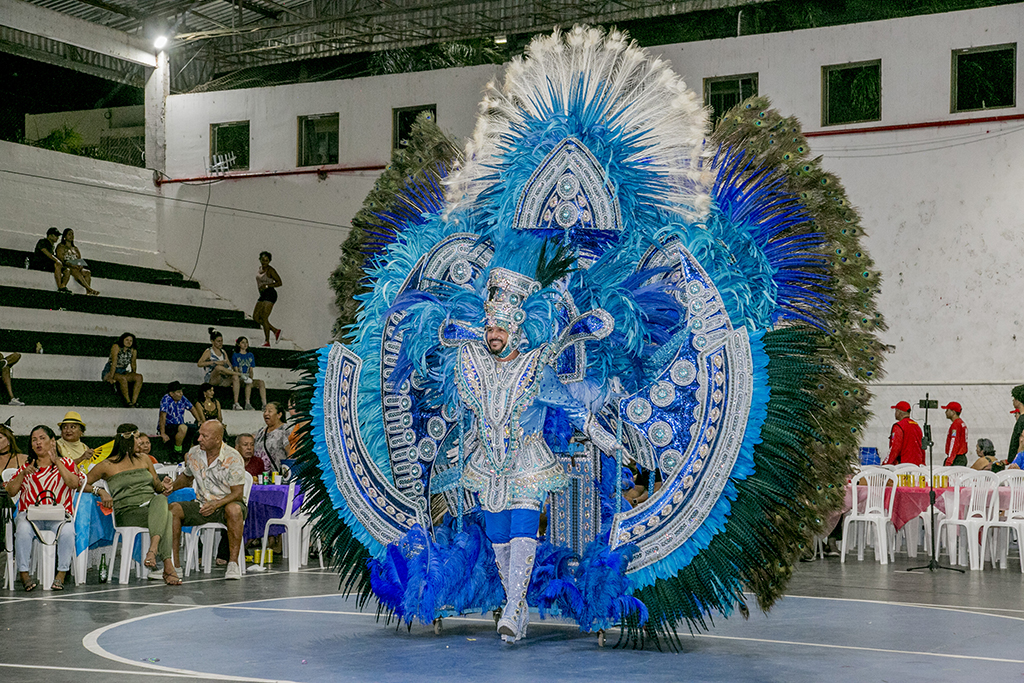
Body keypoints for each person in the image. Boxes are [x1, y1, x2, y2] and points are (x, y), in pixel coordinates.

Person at [452, 267, 621, 643]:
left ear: (515, 329)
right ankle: (517, 604)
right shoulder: (474, 367)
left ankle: (514, 605)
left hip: (528, 460)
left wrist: (600, 435)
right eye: (490, 329)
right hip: (489, 464)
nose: (494, 335)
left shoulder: (534, 370)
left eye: (501, 329)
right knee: (497, 534)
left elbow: (571, 406)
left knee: (522, 529)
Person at [86, 424, 181, 585]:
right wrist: (100, 491)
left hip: (151, 506)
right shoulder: (107, 465)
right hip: (127, 511)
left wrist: (164, 485)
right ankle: (166, 563)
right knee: (166, 513)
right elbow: (80, 483)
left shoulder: (144, 459)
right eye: (138, 438)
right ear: (127, 440)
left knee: (161, 500)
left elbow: (157, 487)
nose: (142, 441)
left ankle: (154, 552)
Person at [5, 425, 87, 591]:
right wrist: (22, 474)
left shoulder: (66, 463)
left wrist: (57, 462)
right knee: (22, 529)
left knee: (68, 531)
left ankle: (61, 574)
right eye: (34, 440)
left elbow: (73, 484)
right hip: (30, 516)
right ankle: (24, 573)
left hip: (58, 516)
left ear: (52, 442)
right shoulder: (26, 467)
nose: (38, 443)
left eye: (42, 438)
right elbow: (11, 491)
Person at [165, 420, 247, 579]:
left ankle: (233, 564)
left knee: (234, 509)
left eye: (204, 436)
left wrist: (217, 504)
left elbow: (237, 493)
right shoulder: (193, 453)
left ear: (217, 439)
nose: (199, 439)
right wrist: (171, 488)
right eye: (199, 434)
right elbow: (187, 478)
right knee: (173, 509)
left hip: (227, 503)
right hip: (202, 504)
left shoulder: (233, 457)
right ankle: (175, 566)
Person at [198, 328, 244, 410]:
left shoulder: (223, 352)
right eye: (218, 341)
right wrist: (214, 363)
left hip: (223, 378)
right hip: (212, 378)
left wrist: (235, 370)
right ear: (212, 341)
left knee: (235, 377)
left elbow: (229, 365)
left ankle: (236, 403)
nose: (220, 343)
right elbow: (199, 363)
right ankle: (239, 375)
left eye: (221, 341)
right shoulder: (208, 351)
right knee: (218, 368)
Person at [159, 381, 202, 455]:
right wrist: (162, 433)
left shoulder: (182, 398)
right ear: (171, 393)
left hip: (179, 424)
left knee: (198, 428)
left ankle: (192, 451)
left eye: (181, 391)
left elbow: (192, 408)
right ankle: (177, 451)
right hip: (169, 426)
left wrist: (199, 420)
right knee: (183, 428)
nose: (181, 393)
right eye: (178, 392)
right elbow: (162, 416)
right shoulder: (166, 399)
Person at [102, 332, 144, 408]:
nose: (129, 342)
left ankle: (134, 401)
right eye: (127, 340)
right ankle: (128, 402)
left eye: (131, 341)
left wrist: (133, 374)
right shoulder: (116, 347)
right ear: (122, 340)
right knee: (122, 378)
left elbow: (133, 363)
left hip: (122, 370)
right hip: (111, 370)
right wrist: (111, 377)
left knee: (139, 377)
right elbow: (114, 363)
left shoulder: (133, 350)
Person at [55, 228, 99, 296]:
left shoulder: (75, 248)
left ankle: (88, 292)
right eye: (69, 234)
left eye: (72, 234)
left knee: (87, 272)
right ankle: (90, 289)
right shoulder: (61, 246)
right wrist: (72, 265)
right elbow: (61, 259)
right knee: (75, 270)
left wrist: (80, 265)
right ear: (65, 236)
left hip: (76, 266)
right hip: (67, 266)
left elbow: (79, 259)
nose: (71, 236)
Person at [253, 252, 282, 347]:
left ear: (269, 261)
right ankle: (275, 330)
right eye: (263, 260)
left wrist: (268, 285)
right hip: (263, 294)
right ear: (260, 259)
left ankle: (267, 341)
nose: (264, 262)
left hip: (270, 293)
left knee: (264, 317)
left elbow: (279, 282)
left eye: (267, 260)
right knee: (256, 317)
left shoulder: (271, 270)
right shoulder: (260, 269)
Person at [883, 401, 925, 466]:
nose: (895, 413)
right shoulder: (916, 426)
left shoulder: (898, 426)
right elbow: (922, 447)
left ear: (899, 413)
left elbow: (895, 448)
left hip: (903, 466)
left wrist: (886, 464)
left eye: (896, 411)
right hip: (917, 466)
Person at [253, 401, 290, 474]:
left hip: (278, 477)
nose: (266, 413)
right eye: (265, 411)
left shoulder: (285, 430)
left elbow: (290, 452)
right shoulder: (261, 431)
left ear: (279, 415)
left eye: (270, 411)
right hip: (260, 476)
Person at [231, 337, 266, 410]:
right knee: (246, 382)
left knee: (261, 383)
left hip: (247, 376)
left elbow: (251, 370)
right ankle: (247, 403)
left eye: (246, 342)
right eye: (243, 342)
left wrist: (250, 378)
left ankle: (264, 404)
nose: (245, 344)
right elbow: (236, 369)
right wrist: (243, 377)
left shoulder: (250, 355)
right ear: (238, 344)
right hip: (240, 377)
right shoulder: (235, 355)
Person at [31, 227, 65, 291]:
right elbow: (47, 253)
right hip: (40, 263)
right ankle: (59, 286)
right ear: (50, 236)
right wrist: (57, 261)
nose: (57, 238)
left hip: (48, 264)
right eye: (55, 235)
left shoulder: (52, 246)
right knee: (57, 265)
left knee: (67, 270)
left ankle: (63, 285)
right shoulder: (42, 242)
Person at [941, 402, 968, 467]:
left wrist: (949, 460)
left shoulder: (955, 425)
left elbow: (954, 443)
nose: (945, 412)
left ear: (953, 412)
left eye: (947, 410)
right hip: (960, 457)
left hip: (956, 459)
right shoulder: (961, 423)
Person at [1007, 385, 1024, 462]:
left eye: (1014, 398)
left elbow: (1021, 441)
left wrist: (1017, 461)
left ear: (1017, 400)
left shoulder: (1022, 419)